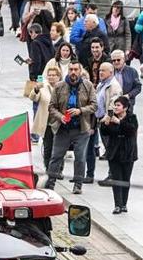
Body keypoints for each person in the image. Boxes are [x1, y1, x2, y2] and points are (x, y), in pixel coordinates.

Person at [47, 60, 97, 194]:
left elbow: (94, 105)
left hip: (81, 129)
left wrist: (80, 111)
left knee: (80, 158)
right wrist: (60, 117)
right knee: (56, 156)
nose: (73, 72)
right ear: (67, 71)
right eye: (71, 70)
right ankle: (51, 182)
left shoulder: (88, 86)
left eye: (76, 69)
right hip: (63, 128)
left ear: (80, 71)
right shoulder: (59, 86)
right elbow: (51, 107)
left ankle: (78, 184)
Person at [100, 95, 137, 214]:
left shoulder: (132, 117)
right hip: (114, 152)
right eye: (115, 105)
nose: (116, 107)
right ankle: (117, 204)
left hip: (128, 152)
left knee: (126, 179)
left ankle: (124, 204)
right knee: (116, 179)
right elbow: (105, 133)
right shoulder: (111, 117)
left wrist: (119, 122)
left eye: (118, 105)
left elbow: (131, 130)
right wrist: (105, 124)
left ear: (125, 108)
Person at [34, 65, 63, 163]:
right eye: (49, 75)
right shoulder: (43, 87)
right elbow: (33, 98)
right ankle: (48, 169)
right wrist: (36, 89)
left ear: (58, 76)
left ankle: (59, 169)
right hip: (46, 123)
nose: (51, 77)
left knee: (59, 148)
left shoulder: (63, 87)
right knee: (47, 148)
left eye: (53, 75)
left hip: (59, 122)